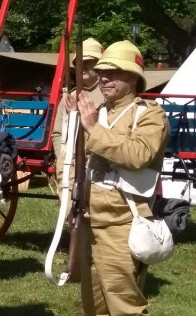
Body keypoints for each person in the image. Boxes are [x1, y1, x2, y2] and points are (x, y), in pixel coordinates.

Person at [70, 40, 169, 315]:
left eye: (113, 72)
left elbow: (137, 155)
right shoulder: (98, 112)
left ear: (133, 77)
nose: (104, 78)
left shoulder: (149, 115)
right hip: (89, 219)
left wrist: (92, 128)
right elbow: (76, 160)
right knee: (94, 306)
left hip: (122, 221)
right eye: (102, 72)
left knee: (124, 306)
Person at [52, 38, 104, 207]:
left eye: (90, 62)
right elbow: (58, 132)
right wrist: (63, 156)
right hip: (69, 163)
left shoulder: (108, 96)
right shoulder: (69, 96)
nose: (84, 66)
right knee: (70, 213)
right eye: (81, 62)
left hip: (96, 162)